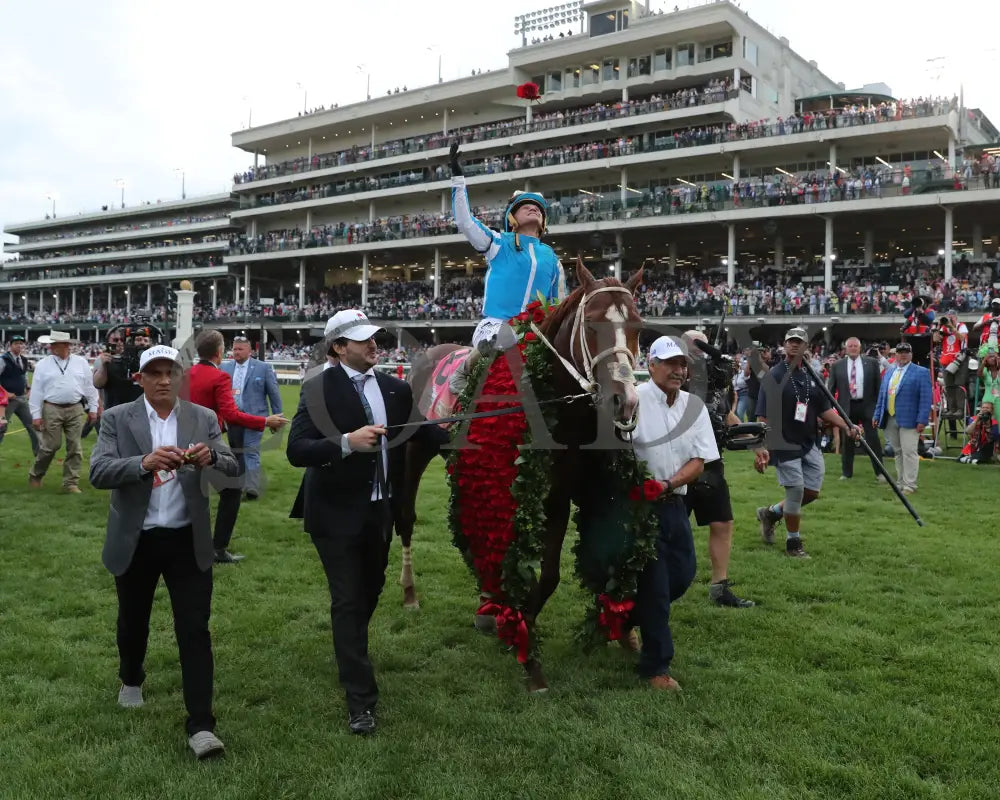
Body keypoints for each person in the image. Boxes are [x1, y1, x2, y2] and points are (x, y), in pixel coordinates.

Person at [286, 309, 446, 734]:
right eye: (363, 339)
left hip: (379, 512)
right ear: (339, 347)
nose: (375, 344)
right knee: (348, 599)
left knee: (369, 590)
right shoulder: (317, 388)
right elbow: (297, 449)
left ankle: (350, 645)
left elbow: (428, 434)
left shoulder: (394, 389)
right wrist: (345, 443)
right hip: (333, 514)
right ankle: (360, 700)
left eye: (376, 337)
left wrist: (485, 438)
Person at [89, 344, 239, 760]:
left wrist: (212, 456)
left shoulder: (203, 417)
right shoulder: (119, 418)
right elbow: (98, 470)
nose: (163, 380)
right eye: (153, 373)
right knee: (133, 621)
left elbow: (232, 466)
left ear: (181, 377)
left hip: (186, 540)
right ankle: (131, 676)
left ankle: (201, 725)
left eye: (171, 372)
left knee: (195, 629)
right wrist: (143, 462)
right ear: (139, 378)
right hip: (136, 541)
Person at [628, 336, 719, 690]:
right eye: (671, 363)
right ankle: (656, 667)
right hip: (639, 506)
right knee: (656, 587)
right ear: (651, 365)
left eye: (683, 365)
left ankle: (622, 620)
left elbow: (700, 459)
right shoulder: (633, 398)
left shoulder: (693, 405)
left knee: (682, 575)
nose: (679, 371)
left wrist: (667, 484)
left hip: (674, 501)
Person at [447, 140, 565, 391]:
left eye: (538, 209)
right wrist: (458, 178)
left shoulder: (552, 257)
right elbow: (466, 222)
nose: (533, 209)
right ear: (512, 217)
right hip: (496, 327)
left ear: (544, 221)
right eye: (525, 207)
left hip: (536, 333)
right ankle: (464, 369)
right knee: (507, 336)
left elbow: (556, 303)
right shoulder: (499, 242)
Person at [754, 328, 861, 559]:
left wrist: (847, 426)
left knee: (811, 492)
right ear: (784, 345)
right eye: (791, 342)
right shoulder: (774, 375)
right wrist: (760, 446)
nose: (794, 345)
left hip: (809, 441)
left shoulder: (812, 376)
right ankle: (794, 544)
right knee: (795, 492)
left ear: (806, 347)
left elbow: (824, 410)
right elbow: (762, 416)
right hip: (783, 442)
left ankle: (770, 513)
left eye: (799, 342)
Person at [186, 329, 287, 563]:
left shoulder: (187, 373)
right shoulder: (220, 376)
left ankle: (193, 546)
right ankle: (217, 549)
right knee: (231, 492)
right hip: (208, 444)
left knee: (193, 494)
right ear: (219, 352)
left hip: (184, 440)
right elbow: (231, 415)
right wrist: (266, 421)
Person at [682, 331, 754, 608]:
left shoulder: (713, 381)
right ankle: (658, 581)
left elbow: (725, 414)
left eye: (704, 344)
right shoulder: (675, 377)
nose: (702, 350)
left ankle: (719, 586)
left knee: (722, 522)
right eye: (695, 345)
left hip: (711, 462)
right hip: (679, 463)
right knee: (673, 527)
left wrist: (755, 445)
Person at [28, 331, 99, 493]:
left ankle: (70, 483)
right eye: (51, 344)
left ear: (66, 346)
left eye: (55, 344)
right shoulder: (43, 365)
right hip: (51, 407)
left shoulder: (81, 363)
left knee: (75, 446)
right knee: (50, 446)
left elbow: (90, 388)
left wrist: (93, 409)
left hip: (75, 408)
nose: (51, 347)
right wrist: (36, 416)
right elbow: (37, 392)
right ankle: (36, 474)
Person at [221, 336, 283, 500]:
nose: (236, 352)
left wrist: (277, 417)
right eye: (234, 349)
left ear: (250, 351)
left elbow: (274, 393)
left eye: (240, 349)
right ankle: (239, 485)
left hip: (256, 417)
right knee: (236, 452)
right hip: (233, 418)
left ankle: (251, 488)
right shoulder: (225, 368)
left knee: (251, 451)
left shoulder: (263, 368)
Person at [872, 342, 931, 496]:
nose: (903, 354)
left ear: (911, 354)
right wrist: (877, 415)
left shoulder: (921, 372)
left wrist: (922, 420)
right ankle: (900, 482)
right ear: (895, 354)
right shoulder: (889, 372)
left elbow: (926, 398)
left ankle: (910, 485)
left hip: (910, 419)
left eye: (906, 352)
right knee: (897, 452)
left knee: (909, 452)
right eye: (900, 352)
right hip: (890, 417)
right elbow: (882, 396)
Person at [827, 337, 882, 481]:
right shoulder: (837, 365)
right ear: (845, 348)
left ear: (860, 348)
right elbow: (831, 389)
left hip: (867, 405)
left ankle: (879, 472)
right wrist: (829, 409)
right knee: (848, 441)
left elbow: (878, 387)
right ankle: (846, 473)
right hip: (847, 406)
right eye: (850, 346)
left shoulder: (872, 363)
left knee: (873, 439)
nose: (852, 348)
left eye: (855, 346)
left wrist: (877, 407)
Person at [0, 335, 40, 455]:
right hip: (6, 401)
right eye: (16, 343)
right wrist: (5, 393)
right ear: (10, 345)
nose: (19, 345)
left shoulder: (23, 359)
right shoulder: (3, 359)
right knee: (1, 427)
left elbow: (24, 375)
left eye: (21, 343)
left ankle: (39, 454)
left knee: (33, 425)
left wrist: (28, 387)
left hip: (21, 398)